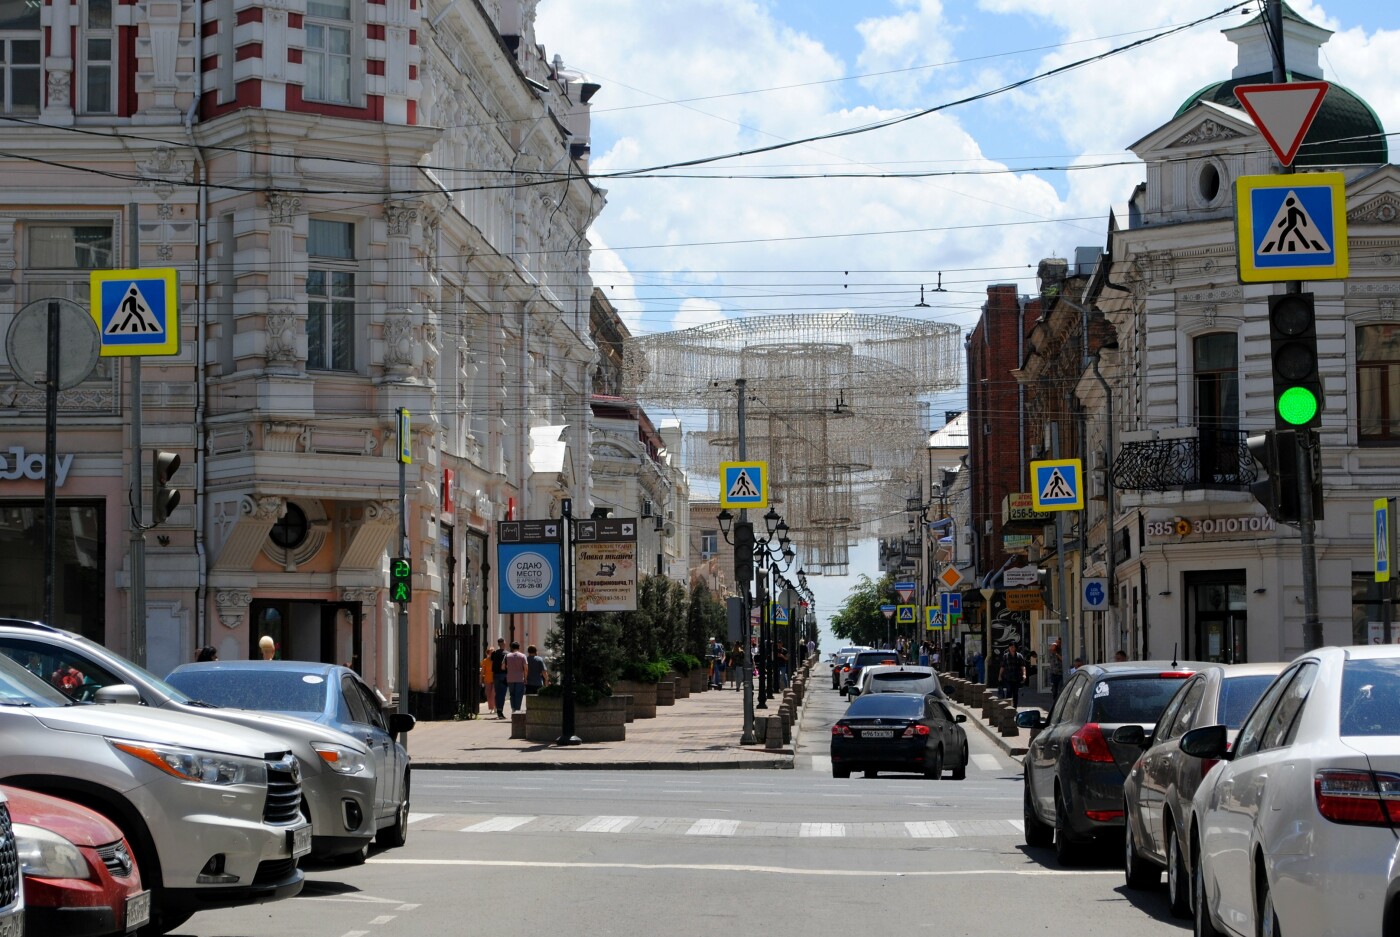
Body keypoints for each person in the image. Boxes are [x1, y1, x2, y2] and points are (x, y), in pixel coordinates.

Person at [1000, 642, 1028, 708]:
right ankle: (1007, 706)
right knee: (1009, 691)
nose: (1012, 648)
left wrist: (1024, 674)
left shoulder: (1019, 656)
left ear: (1016, 648)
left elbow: (1023, 666)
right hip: (1008, 677)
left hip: (1016, 677)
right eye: (1011, 647)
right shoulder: (1005, 656)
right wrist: (999, 675)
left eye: (1013, 647)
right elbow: (1002, 666)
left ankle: (1015, 706)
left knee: (1015, 693)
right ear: (1009, 648)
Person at [503, 641, 528, 716]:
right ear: (519, 647)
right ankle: (517, 710)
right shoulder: (523, 656)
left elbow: (503, 667)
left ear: (511, 647)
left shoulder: (507, 656)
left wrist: (509, 668)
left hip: (510, 678)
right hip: (520, 678)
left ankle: (513, 709)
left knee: (512, 694)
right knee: (519, 695)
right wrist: (525, 677)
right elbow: (526, 668)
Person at [490, 638, 508, 719]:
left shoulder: (494, 653)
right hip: (503, 675)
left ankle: (498, 710)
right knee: (502, 693)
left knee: (497, 693)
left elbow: (491, 660)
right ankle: (500, 711)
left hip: (495, 675)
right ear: (504, 643)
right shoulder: (507, 654)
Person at [479, 648, 496, 714]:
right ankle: (491, 708)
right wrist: (480, 680)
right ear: (488, 653)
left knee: (493, 694)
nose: (492, 654)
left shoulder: (496, 660)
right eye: (491, 652)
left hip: (495, 679)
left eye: (493, 652)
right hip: (487, 679)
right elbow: (482, 671)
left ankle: (495, 707)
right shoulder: (485, 661)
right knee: (488, 694)